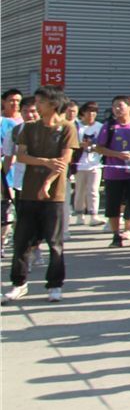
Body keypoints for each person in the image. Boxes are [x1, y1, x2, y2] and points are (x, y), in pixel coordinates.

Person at [4, 87, 78, 302]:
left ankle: (54, 285)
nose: (36, 106)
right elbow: (22, 156)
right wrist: (44, 161)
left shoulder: (67, 128)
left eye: (41, 102)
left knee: (54, 243)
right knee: (21, 242)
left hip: (54, 195)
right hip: (27, 192)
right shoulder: (29, 128)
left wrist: (47, 183)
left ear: (54, 104)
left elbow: (63, 161)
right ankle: (19, 284)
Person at [93, 95, 130, 247]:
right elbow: (99, 148)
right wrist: (117, 155)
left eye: (121, 106)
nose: (118, 109)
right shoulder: (109, 126)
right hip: (113, 174)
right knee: (113, 205)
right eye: (115, 107)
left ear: (129, 108)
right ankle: (116, 235)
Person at [72, 100, 104, 227]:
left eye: (94, 112)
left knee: (93, 190)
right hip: (80, 163)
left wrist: (93, 146)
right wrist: (81, 145)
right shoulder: (77, 126)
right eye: (88, 111)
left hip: (95, 163)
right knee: (80, 190)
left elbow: (102, 143)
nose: (91, 114)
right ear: (83, 113)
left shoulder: (100, 127)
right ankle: (79, 215)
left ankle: (93, 215)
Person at [1, 88, 22, 246]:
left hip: (10, 172)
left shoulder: (11, 124)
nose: (15, 104)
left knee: (10, 208)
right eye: (11, 100)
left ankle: (14, 238)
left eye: (17, 101)